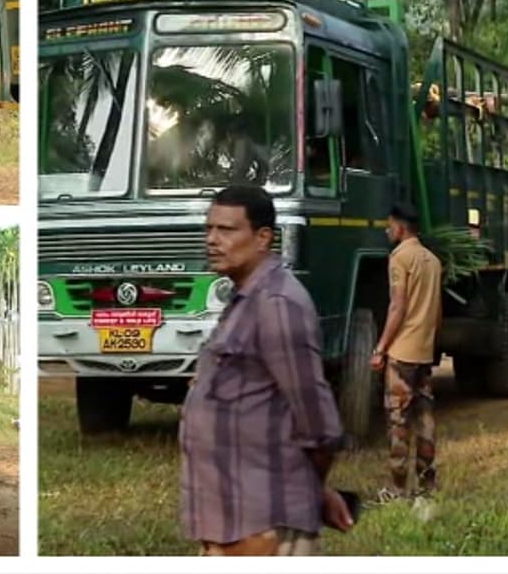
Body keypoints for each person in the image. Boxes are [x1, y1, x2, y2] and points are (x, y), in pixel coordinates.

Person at [179, 184, 352, 556]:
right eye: (209, 229)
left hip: (265, 522)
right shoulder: (245, 300)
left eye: (227, 230)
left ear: (262, 238)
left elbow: (318, 423)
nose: (212, 240)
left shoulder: (278, 304)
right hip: (233, 520)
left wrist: (307, 488)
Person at [370, 202, 443, 501]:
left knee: (399, 421)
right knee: (425, 419)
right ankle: (426, 486)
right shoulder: (432, 261)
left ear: (400, 227)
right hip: (424, 351)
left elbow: (397, 306)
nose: (387, 230)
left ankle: (397, 489)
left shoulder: (400, 258)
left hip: (402, 354)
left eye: (389, 225)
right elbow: (437, 311)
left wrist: (380, 348)